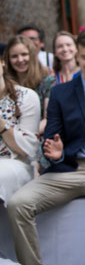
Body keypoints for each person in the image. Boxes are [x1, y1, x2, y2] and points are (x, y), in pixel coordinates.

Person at [6, 25, 85, 265]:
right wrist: (55, 152)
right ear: (77, 55)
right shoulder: (60, 93)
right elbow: (52, 138)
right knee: (18, 204)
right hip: (68, 169)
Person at [0, 66, 40, 206]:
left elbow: (28, 150)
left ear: (2, 62)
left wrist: (2, 125)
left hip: (15, 163)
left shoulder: (26, 96)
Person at [3, 37, 53, 125]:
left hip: (38, 135)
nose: (20, 60)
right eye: (14, 56)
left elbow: (48, 119)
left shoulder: (47, 81)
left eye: (24, 54)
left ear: (32, 55)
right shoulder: (5, 84)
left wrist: (25, 135)